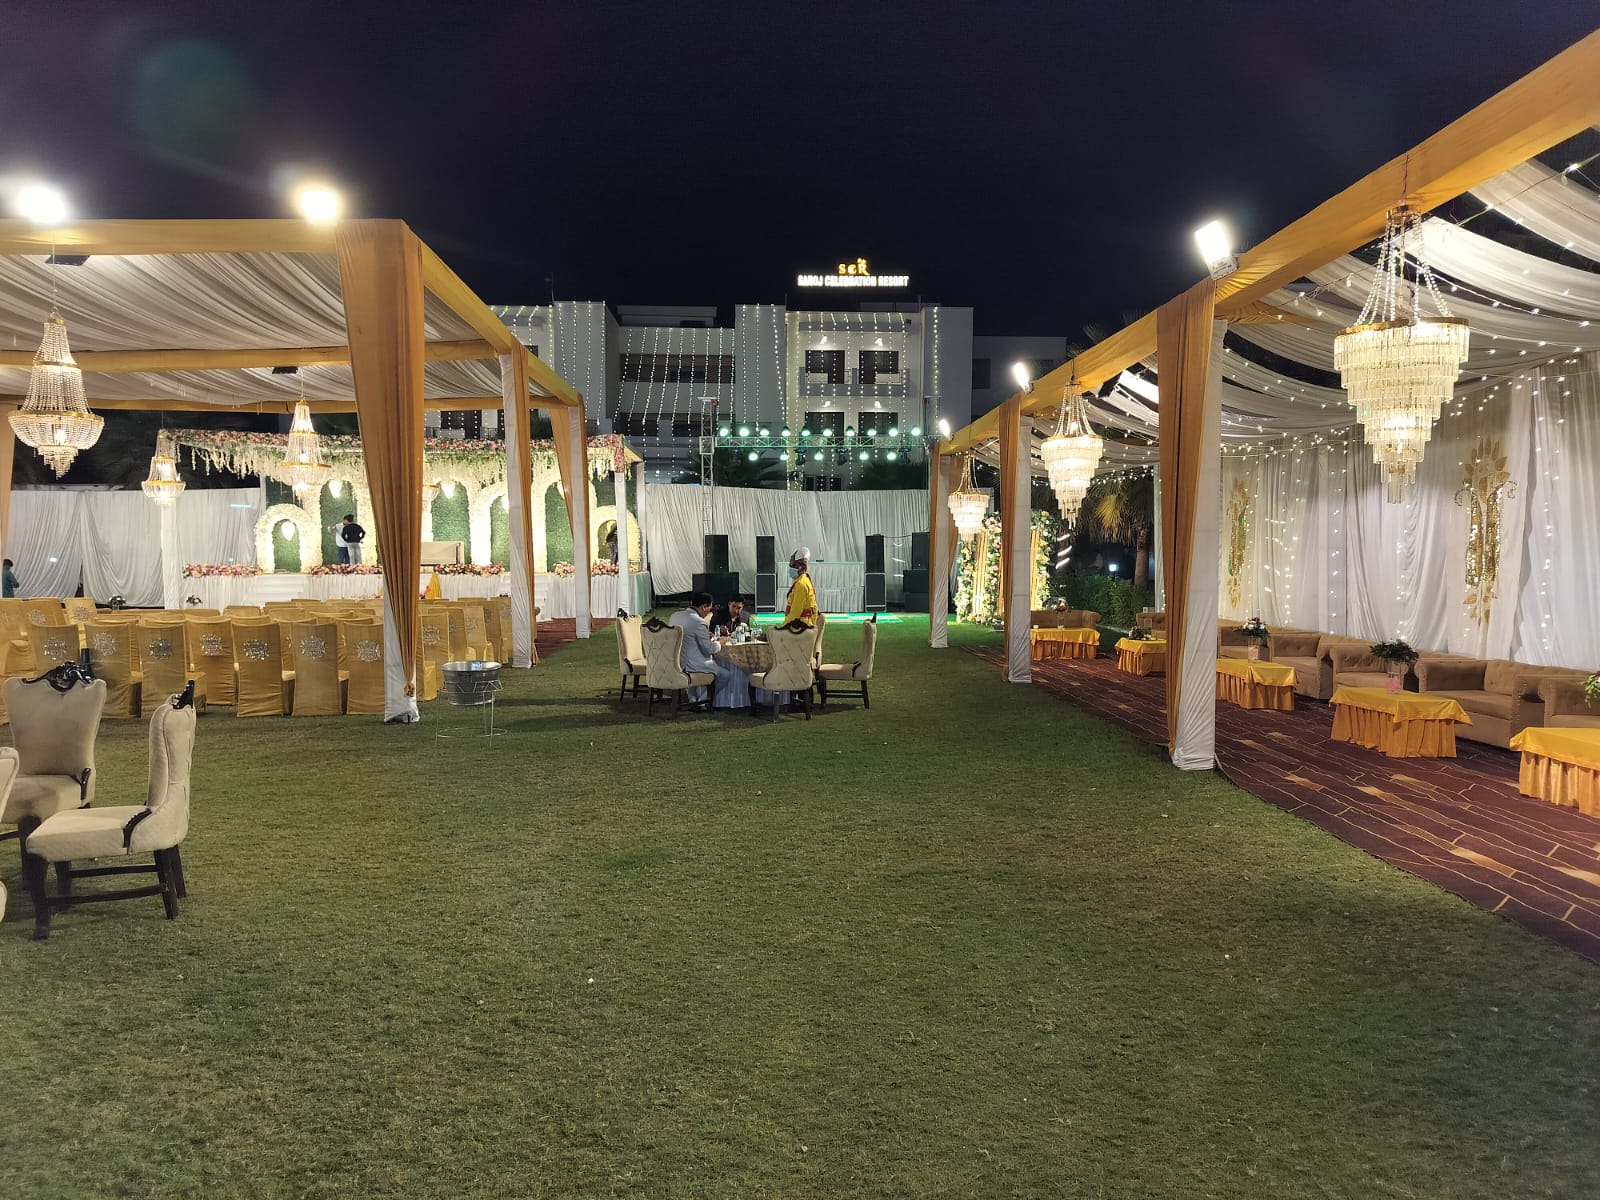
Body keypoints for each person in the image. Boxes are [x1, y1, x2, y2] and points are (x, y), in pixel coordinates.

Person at [669, 592, 749, 710]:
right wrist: (720, 642)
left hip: (676, 661)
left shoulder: (675, 616)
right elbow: (709, 649)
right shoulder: (699, 622)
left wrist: (705, 635)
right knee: (725, 674)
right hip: (694, 664)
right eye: (709, 609)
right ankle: (708, 698)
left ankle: (693, 699)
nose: (709, 612)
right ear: (704, 607)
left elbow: (688, 636)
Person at [783, 546, 817, 626]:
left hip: (799, 626)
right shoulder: (803, 581)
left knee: (771, 631)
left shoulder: (801, 585)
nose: (790, 567)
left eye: (792, 565)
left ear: (798, 567)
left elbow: (795, 613)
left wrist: (783, 626)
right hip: (801, 623)